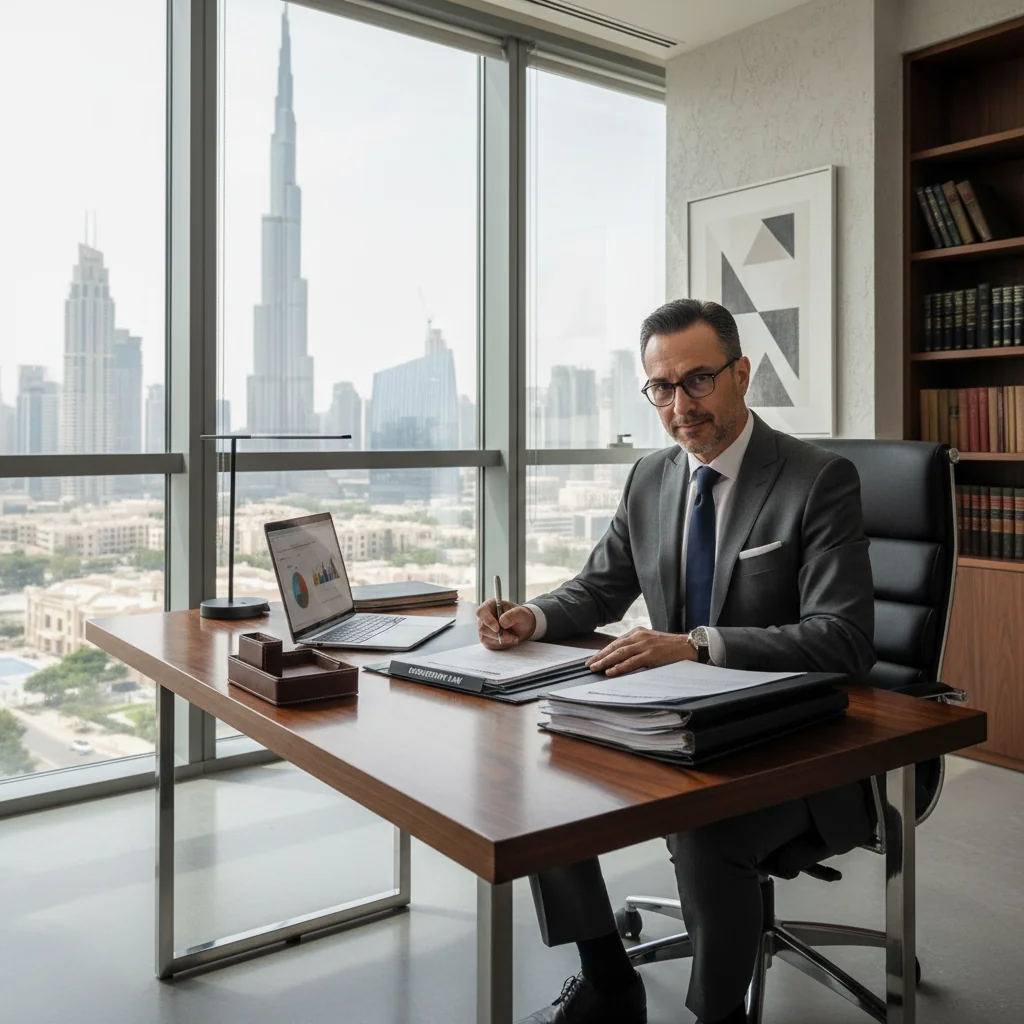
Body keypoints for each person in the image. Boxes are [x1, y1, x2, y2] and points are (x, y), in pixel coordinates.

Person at [476, 298, 876, 1024]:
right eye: (661, 387)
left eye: (698, 381)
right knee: (542, 785)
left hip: (795, 742)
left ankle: (715, 1016)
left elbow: (841, 638)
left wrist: (697, 644)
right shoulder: (652, 478)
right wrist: (528, 616)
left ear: (741, 374)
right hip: (675, 724)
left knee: (707, 827)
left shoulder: (817, 480)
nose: (679, 405)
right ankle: (608, 980)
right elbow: (600, 587)